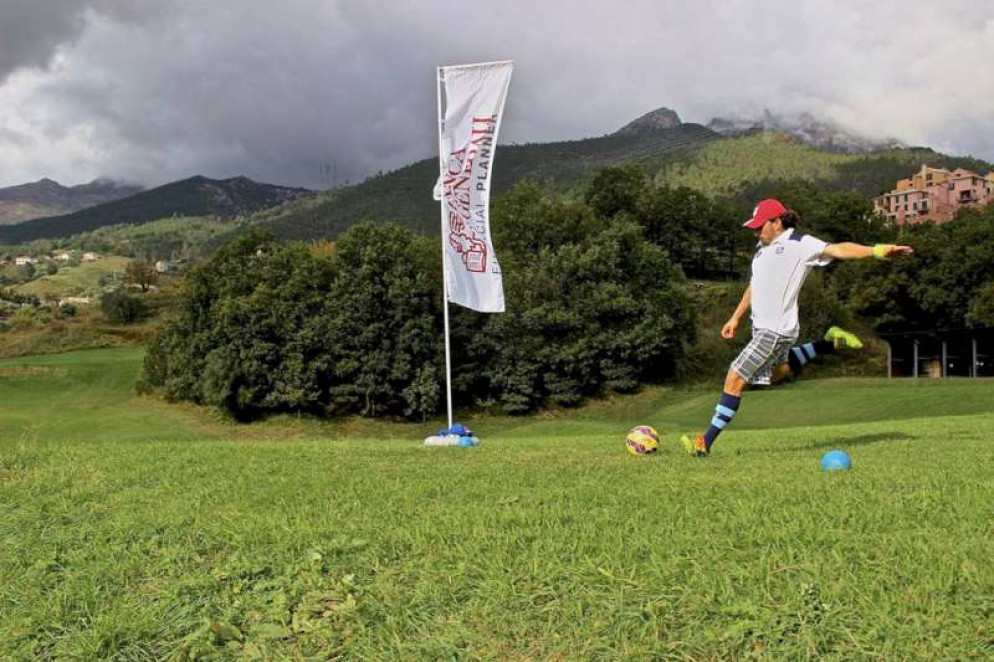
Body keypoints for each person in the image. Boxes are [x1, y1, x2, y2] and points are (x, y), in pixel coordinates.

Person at [680, 199, 914, 457]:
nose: (756, 232)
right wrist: (735, 317)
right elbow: (755, 284)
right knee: (775, 375)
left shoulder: (800, 243)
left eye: (759, 226)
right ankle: (828, 343)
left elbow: (839, 249)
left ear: (777, 222)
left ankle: (704, 443)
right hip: (764, 329)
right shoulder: (761, 251)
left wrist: (879, 250)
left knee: (734, 378)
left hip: (774, 330)